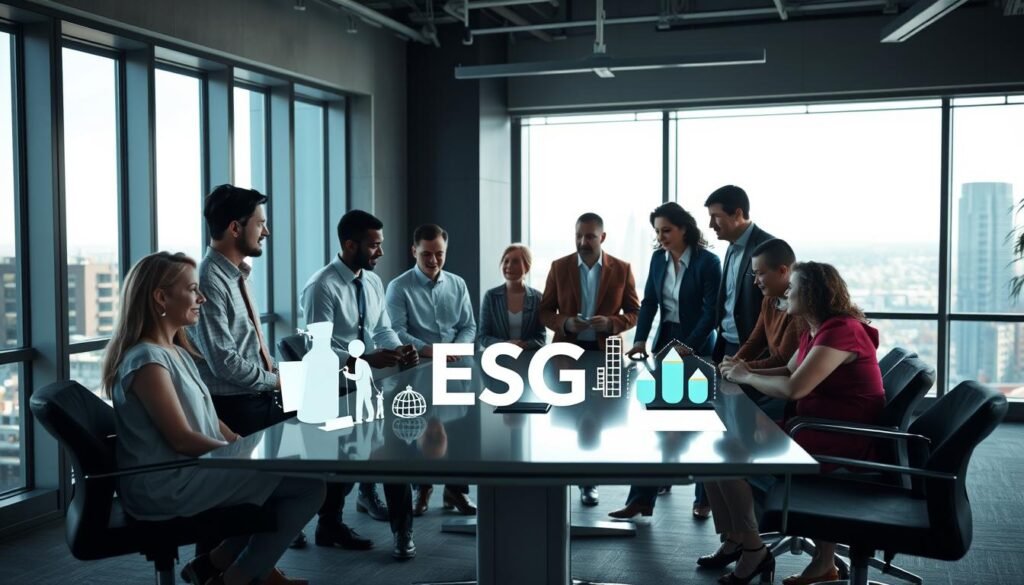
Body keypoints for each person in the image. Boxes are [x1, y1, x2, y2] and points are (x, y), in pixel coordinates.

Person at [103, 252, 324, 585]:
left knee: (294, 479)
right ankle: (235, 578)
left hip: (186, 471)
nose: (201, 298)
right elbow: (181, 438)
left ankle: (218, 565)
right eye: (193, 290)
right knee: (308, 486)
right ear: (161, 297)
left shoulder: (175, 351)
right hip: (165, 484)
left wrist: (239, 444)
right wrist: (242, 457)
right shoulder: (147, 361)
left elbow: (208, 416)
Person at [708, 261, 886, 585]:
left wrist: (746, 375)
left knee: (724, 458)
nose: (787, 291)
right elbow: (788, 371)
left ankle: (752, 549)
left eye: (793, 287)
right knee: (716, 449)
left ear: (813, 293)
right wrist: (742, 370)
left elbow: (794, 388)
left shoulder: (841, 331)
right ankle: (740, 539)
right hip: (815, 427)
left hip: (839, 438)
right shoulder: (816, 328)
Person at [188, 184, 327, 551]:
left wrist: (279, 378)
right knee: (248, 496)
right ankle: (215, 568)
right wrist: (277, 381)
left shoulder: (236, 275)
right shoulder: (209, 281)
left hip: (256, 397)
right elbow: (224, 361)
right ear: (236, 227)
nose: (266, 231)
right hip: (235, 407)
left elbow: (246, 350)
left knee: (299, 473)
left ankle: (251, 568)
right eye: (260, 223)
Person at [300, 209, 419, 559]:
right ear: (349, 244)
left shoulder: (371, 281)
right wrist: (365, 360)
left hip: (368, 386)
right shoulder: (322, 286)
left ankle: (402, 531)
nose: (380, 252)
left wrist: (398, 348)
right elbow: (316, 348)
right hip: (333, 387)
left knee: (393, 454)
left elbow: (381, 328)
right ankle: (329, 525)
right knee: (345, 462)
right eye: (373, 246)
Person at [611, 202, 721, 520]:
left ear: (684, 228)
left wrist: (688, 346)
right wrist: (641, 339)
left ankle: (704, 498)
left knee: (699, 421)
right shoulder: (659, 259)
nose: (661, 237)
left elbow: (710, 312)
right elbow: (648, 303)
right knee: (657, 420)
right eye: (658, 232)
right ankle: (642, 498)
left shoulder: (707, 262)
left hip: (697, 343)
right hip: (666, 340)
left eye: (667, 231)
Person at [538, 212, 640, 507]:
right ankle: (565, 480)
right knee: (568, 418)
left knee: (598, 418)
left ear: (602, 237)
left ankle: (589, 482)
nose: (583, 242)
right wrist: (566, 324)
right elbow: (545, 312)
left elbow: (635, 312)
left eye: (590, 236)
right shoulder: (559, 267)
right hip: (566, 355)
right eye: (579, 235)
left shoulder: (621, 269)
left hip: (605, 356)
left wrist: (610, 324)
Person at [386, 223, 478, 517]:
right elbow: (396, 331)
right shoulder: (399, 287)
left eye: (439, 254)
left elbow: (468, 326)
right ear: (414, 251)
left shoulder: (458, 284)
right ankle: (422, 488)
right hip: (418, 370)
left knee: (460, 431)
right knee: (419, 429)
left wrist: (455, 350)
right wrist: (433, 351)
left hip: (456, 368)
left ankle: (455, 491)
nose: (433, 260)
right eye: (426, 254)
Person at [720, 238, 802, 374]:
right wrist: (734, 361)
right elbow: (756, 341)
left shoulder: (800, 307)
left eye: (760, 273)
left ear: (782, 270)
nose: (755, 281)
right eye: (754, 273)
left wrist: (740, 368)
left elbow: (783, 360)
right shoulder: (769, 300)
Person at [477, 243, 546, 350]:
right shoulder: (491, 296)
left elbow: (541, 338)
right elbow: (483, 337)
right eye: (506, 261)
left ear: (527, 267)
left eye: (515, 262)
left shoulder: (537, 298)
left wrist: (524, 345)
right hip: (497, 359)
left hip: (527, 359)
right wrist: (506, 345)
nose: (509, 266)